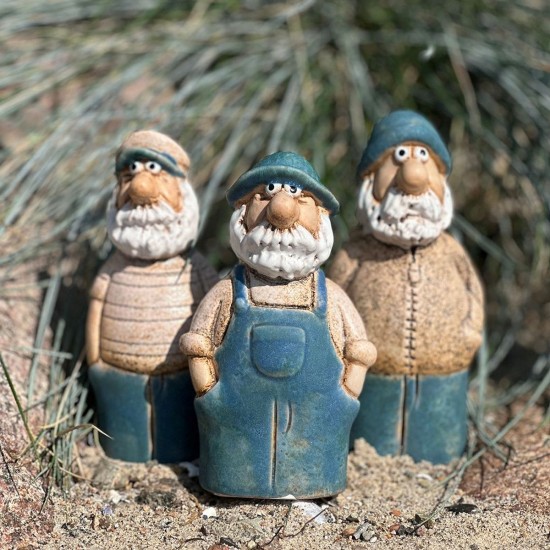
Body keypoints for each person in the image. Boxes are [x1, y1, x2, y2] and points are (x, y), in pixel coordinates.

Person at [181, 151, 376, 498]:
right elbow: (198, 343)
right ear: (243, 211)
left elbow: (358, 349)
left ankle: (312, 485)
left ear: (320, 215)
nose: (281, 210)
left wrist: (347, 393)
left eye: (298, 195)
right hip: (235, 428)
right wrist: (208, 390)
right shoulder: (230, 291)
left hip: (316, 430)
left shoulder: (329, 296)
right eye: (267, 193)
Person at [329, 111, 484, 463]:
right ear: (371, 179)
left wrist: (468, 335)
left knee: (440, 447)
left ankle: (440, 463)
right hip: (371, 379)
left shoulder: (451, 251)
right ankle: (372, 464)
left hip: (443, 378)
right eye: (398, 157)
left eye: (423, 157)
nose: (412, 176)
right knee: (370, 444)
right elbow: (333, 302)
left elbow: (472, 292)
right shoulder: (355, 254)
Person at [86, 130, 218, 462]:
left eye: (155, 171)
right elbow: (97, 308)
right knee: (123, 441)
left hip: (180, 375)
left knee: (180, 437)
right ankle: (124, 461)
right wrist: (96, 363)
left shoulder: (196, 268)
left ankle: (180, 460)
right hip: (117, 377)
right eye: (129, 174)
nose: (140, 188)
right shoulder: (112, 269)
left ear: (182, 190)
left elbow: (217, 313)